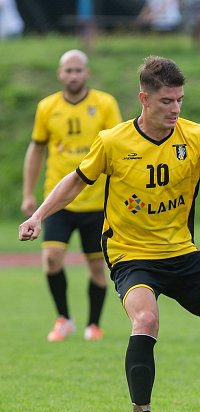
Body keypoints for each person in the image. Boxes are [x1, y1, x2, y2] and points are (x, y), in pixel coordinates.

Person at [19, 56, 200, 412]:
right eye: (167, 101)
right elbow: (75, 181)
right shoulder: (113, 141)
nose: (175, 109)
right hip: (131, 255)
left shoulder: (195, 138)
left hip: (182, 253)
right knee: (146, 317)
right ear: (144, 98)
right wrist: (38, 215)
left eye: (180, 101)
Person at [21, 49, 122, 342]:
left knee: (96, 268)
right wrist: (29, 193)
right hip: (58, 200)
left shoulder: (104, 103)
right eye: (68, 70)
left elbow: (118, 147)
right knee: (51, 259)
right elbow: (37, 149)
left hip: (95, 201)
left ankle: (94, 325)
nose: (73, 75)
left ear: (87, 73)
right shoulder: (47, 107)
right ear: (60, 74)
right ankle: (63, 319)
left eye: (78, 70)